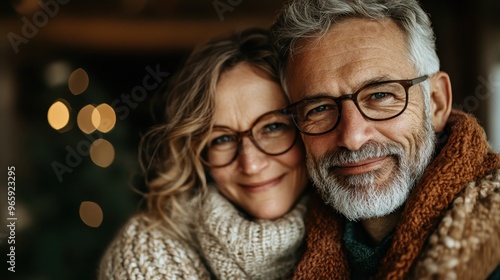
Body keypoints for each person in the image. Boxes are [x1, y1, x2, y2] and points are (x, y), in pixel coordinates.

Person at [271, 0, 500, 279]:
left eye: (380, 95)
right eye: (318, 108)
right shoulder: (285, 251)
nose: (352, 138)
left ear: (437, 103)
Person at [98, 28, 309, 279]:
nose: (251, 164)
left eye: (273, 127)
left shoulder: (359, 229)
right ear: (198, 154)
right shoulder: (147, 253)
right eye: (222, 139)